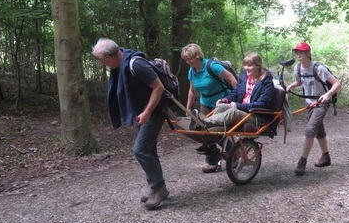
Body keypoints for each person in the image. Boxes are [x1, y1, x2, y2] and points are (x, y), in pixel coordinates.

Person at [92, 38, 169, 210]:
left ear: (110, 57)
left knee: (140, 150)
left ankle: (159, 188)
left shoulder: (136, 65)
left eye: (101, 60)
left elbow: (159, 88)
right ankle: (157, 186)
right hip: (141, 112)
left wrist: (147, 111)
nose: (101, 64)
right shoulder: (119, 66)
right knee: (149, 149)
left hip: (154, 112)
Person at [285, 42, 341, 176]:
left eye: (301, 52)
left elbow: (337, 83)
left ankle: (302, 162)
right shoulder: (297, 68)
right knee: (318, 130)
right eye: (297, 53)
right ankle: (326, 157)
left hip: (322, 102)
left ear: (307, 54)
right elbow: (300, 82)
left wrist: (327, 95)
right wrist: (290, 86)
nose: (298, 55)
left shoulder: (318, 68)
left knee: (310, 130)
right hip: (309, 103)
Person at [181, 44, 238, 173]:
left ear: (197, 56)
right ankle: (213, 161)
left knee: (216, 132)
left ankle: (234, 155)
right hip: (205, 102)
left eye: (190, 58)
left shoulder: (212, 66)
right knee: (205, 132)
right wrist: (187, 108)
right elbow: (191, 91)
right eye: (185, 59)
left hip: (221, 102)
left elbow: (232, 80)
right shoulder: (192, 70)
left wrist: (236, 99)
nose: (188, 62)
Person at [196, 52, 276, 132]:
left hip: (256, 115)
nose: (246, 68)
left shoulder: (266, 82)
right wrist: (225, 100)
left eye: (250, 65)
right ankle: (208, 130)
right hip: (243, 111)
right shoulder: (244, 76)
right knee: (221, 106)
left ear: (258, 66)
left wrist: (239, 106)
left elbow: (262, 104)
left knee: (233, 112)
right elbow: (236, 92)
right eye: (245, 65)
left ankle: (203, 122)